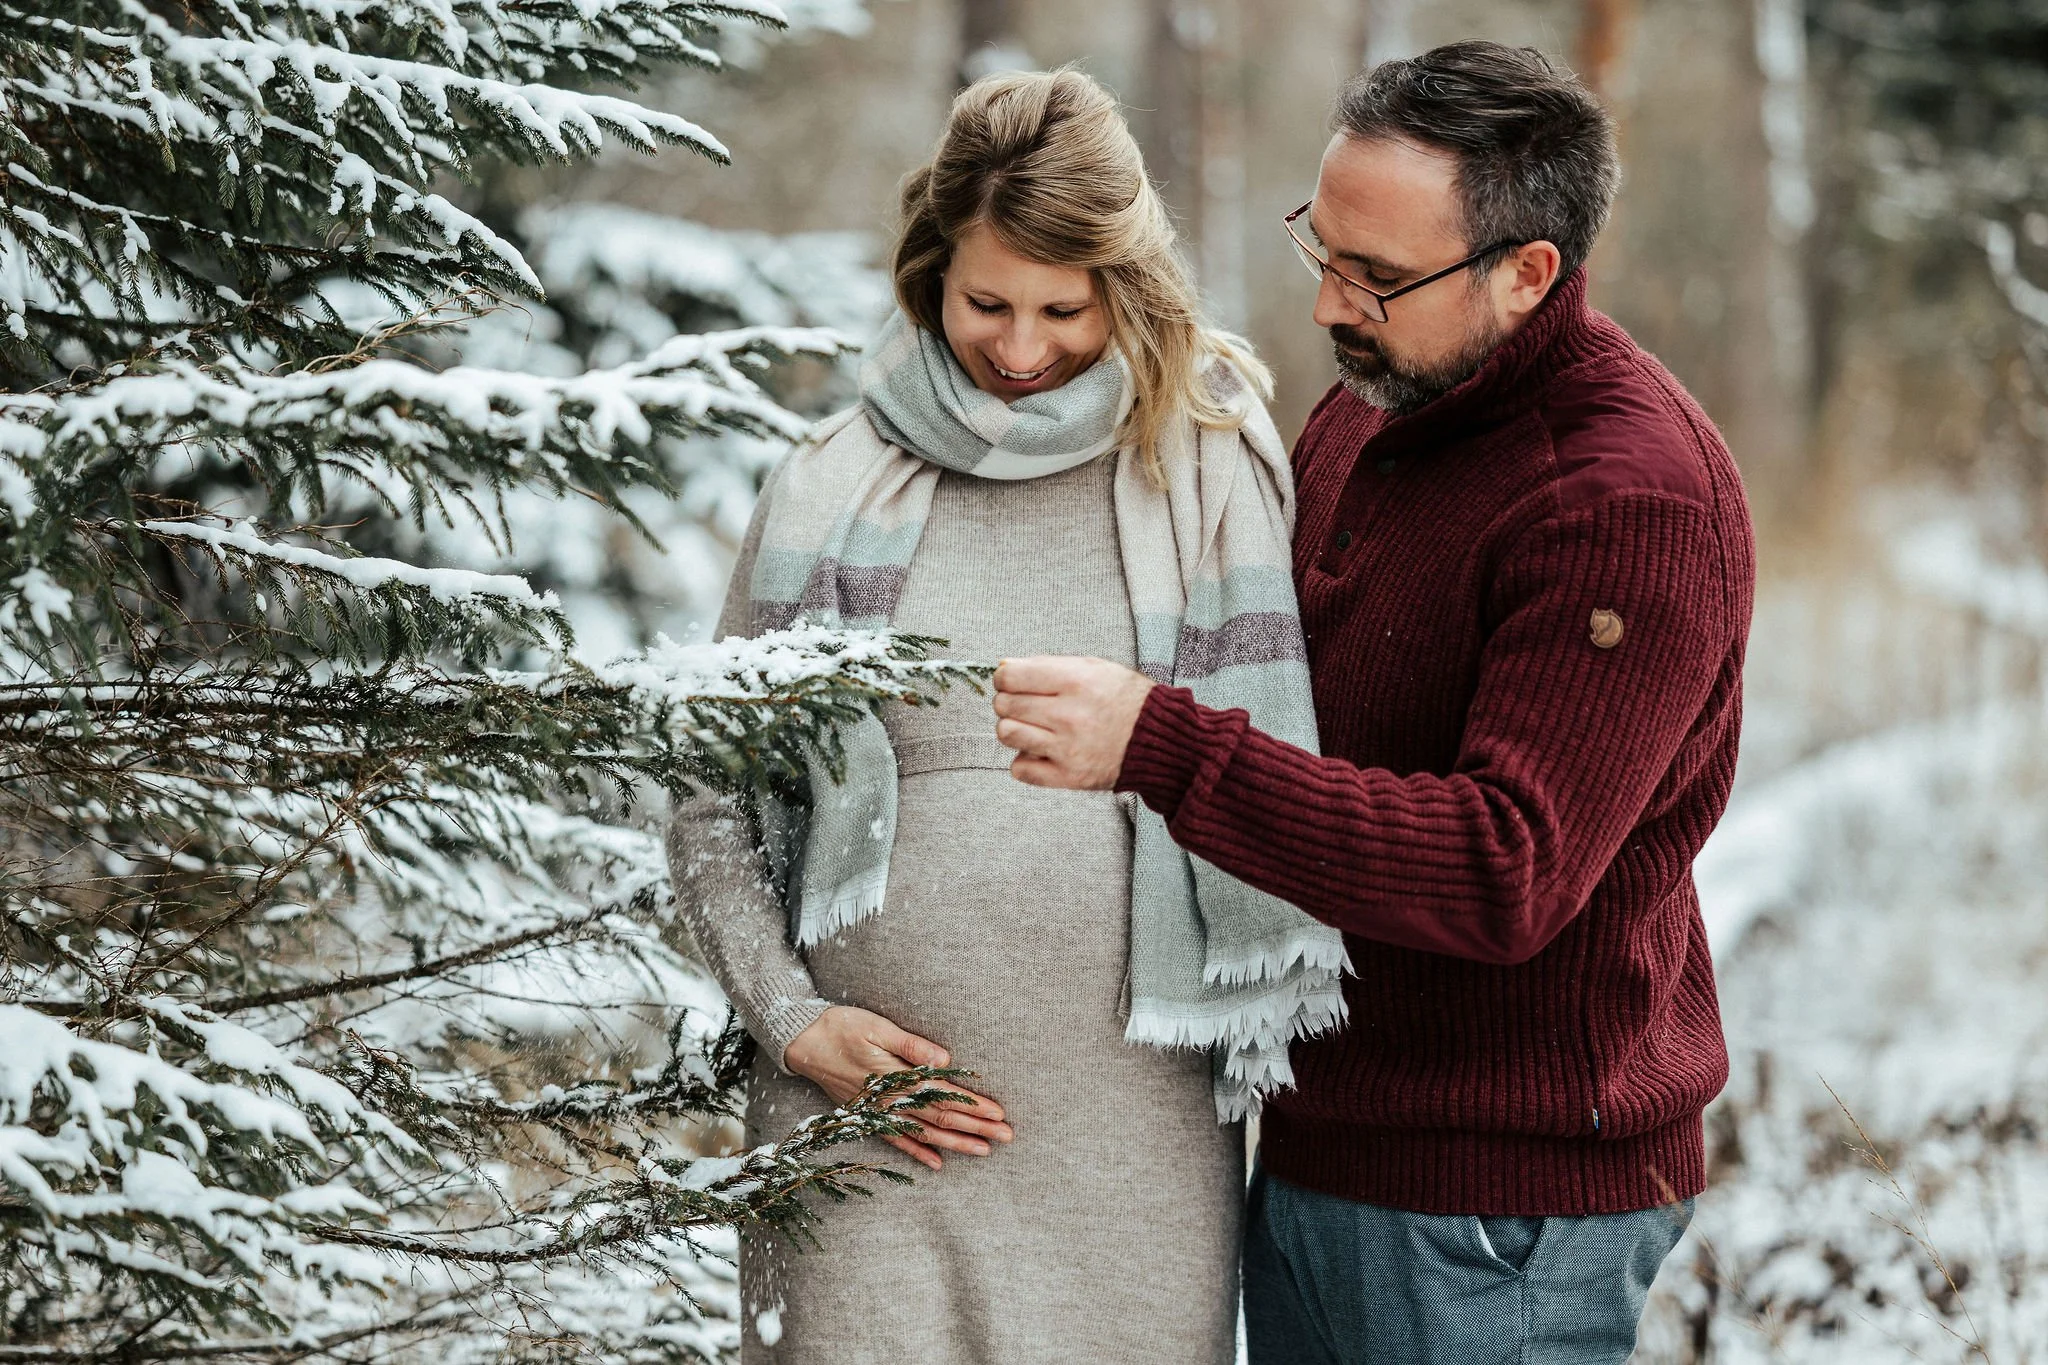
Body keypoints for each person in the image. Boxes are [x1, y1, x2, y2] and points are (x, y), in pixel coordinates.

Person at [991, 41, 1756, 1365]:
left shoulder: (1623, 501)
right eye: (1322, 250)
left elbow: (1502, 869)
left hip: (1496, 1208)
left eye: (1381, 276)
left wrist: (1162, 748)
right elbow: (1280, 695)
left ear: (1529, 275)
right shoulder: (1373, 403)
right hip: (1319, 1136)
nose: (1330, 305)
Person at [665, 68, 1343, 1364]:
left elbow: (1277, 776)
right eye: (988, 303)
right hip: (862, 1136)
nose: (1024, 349)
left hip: (1133, 1147)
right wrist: (797, 1025)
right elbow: (709, 798)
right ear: (932, 272)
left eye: (1062, 308)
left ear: (1123, 287)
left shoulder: (1205, 465)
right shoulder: (828, 487)